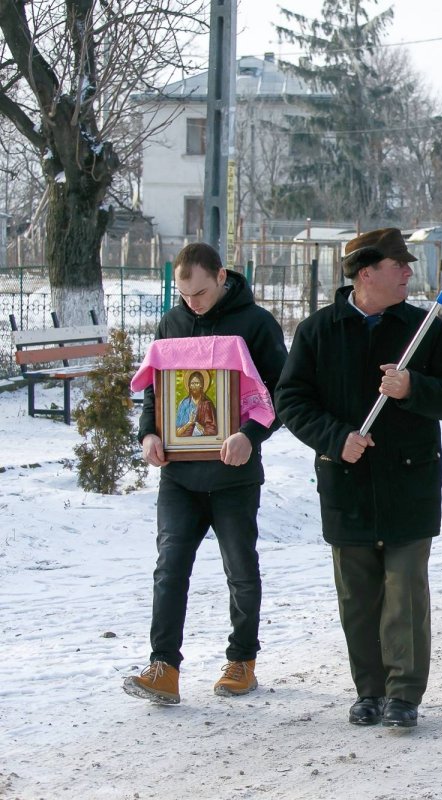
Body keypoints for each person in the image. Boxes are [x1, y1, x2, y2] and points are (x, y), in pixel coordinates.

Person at [274, 231, 442, 729]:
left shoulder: (424, 328)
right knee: (358, 599)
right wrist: (334, 438)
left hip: (410, 484)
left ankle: (403, 694)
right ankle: (370, 691)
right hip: (347, 485)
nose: (408, 272)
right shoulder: (318, 331)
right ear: (366, 273)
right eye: (397, 265)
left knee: (405, 594)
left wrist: (411, 387)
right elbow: (291, 400)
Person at [123, 243, 287, 706]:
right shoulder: (172, 324)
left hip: (234, 475)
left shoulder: (256, 324)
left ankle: (241, 661)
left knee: (240, 569)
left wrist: (251, 435)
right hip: (179, 476)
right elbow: (156, 391)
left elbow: (283, 393)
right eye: (184, 294)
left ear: (220, 277)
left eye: (199, 293)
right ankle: (164, 668)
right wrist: (148, 434)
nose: (191, 303)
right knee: (169, 568)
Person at [175, 370, 218, 437]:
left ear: (201, 385)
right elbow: (177, 432)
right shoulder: (184, 404)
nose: (194, 386)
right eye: (192, 383)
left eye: (197, 383)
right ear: (189, 385)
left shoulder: (207, 404)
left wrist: (203, 429)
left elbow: (213, 430)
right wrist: (189, 423)